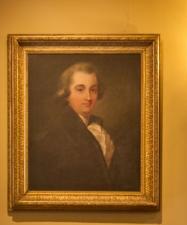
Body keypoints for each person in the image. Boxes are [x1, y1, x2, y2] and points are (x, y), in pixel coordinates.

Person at [29, 62, 136, 191]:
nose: (88, 97)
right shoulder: (54, 136)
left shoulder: (100, 129)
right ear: (66, 93)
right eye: (80, 89)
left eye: (93, 90)